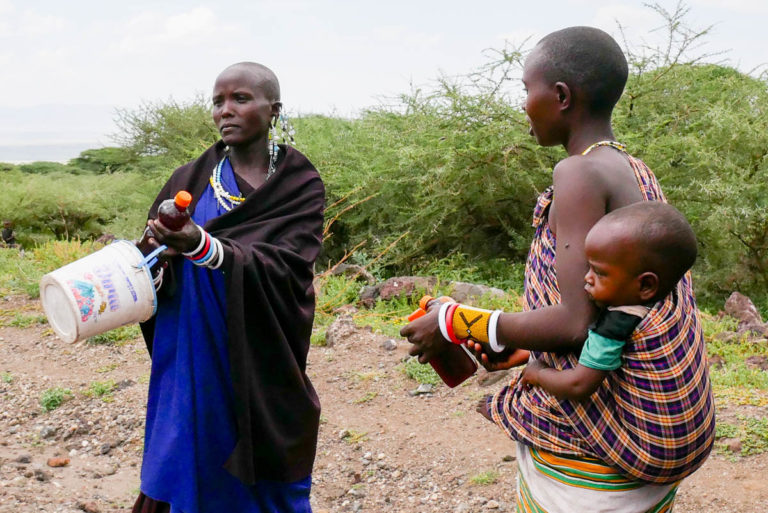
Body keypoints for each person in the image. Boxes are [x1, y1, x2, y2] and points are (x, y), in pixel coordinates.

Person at [401, 27, 714, 512]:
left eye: (527, 90)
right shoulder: (631, 168)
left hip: (603, 455)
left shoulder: (578, 173)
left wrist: (452, 320)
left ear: (562, 96)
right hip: (661, 423)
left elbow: (574, 321)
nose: (524, 104)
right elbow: (612, 305)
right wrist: (520, 344)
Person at [132, 62, 324, 513]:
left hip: (260, 347)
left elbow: (290, 267)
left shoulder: (298, 183)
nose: (226, 111)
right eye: (218, 101)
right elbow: (150, 257)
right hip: (193, 346)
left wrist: (202, 245)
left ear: (273, 109)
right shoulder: (190, 178)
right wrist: (153, 254)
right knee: (193, 445)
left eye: (240, 99)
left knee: (264, 451)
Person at [520, 201, 697, 401]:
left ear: (646, 285)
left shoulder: (615, 325)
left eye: (599, 272)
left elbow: (578, 385)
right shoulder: (665, 299)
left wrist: (539, 373)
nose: (587, 277)